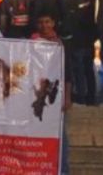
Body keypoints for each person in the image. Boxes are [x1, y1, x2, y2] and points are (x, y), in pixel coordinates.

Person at [31, 11, 71, 175]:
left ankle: (62, 170)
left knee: (61, 137)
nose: (44, 25)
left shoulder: (61, 45)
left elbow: (68, 74)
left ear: (53, 23)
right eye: (41, 22)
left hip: (56, 96)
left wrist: (67, 97)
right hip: (35, 96)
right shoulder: (30, 44)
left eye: (47, 22)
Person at [64, 0, 97, 106]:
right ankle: (91, 96)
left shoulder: (71, 2)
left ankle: (80, 95)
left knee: (78, 70)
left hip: (77, 40)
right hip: (89, 40)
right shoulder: (92, 0)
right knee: (89, 69)